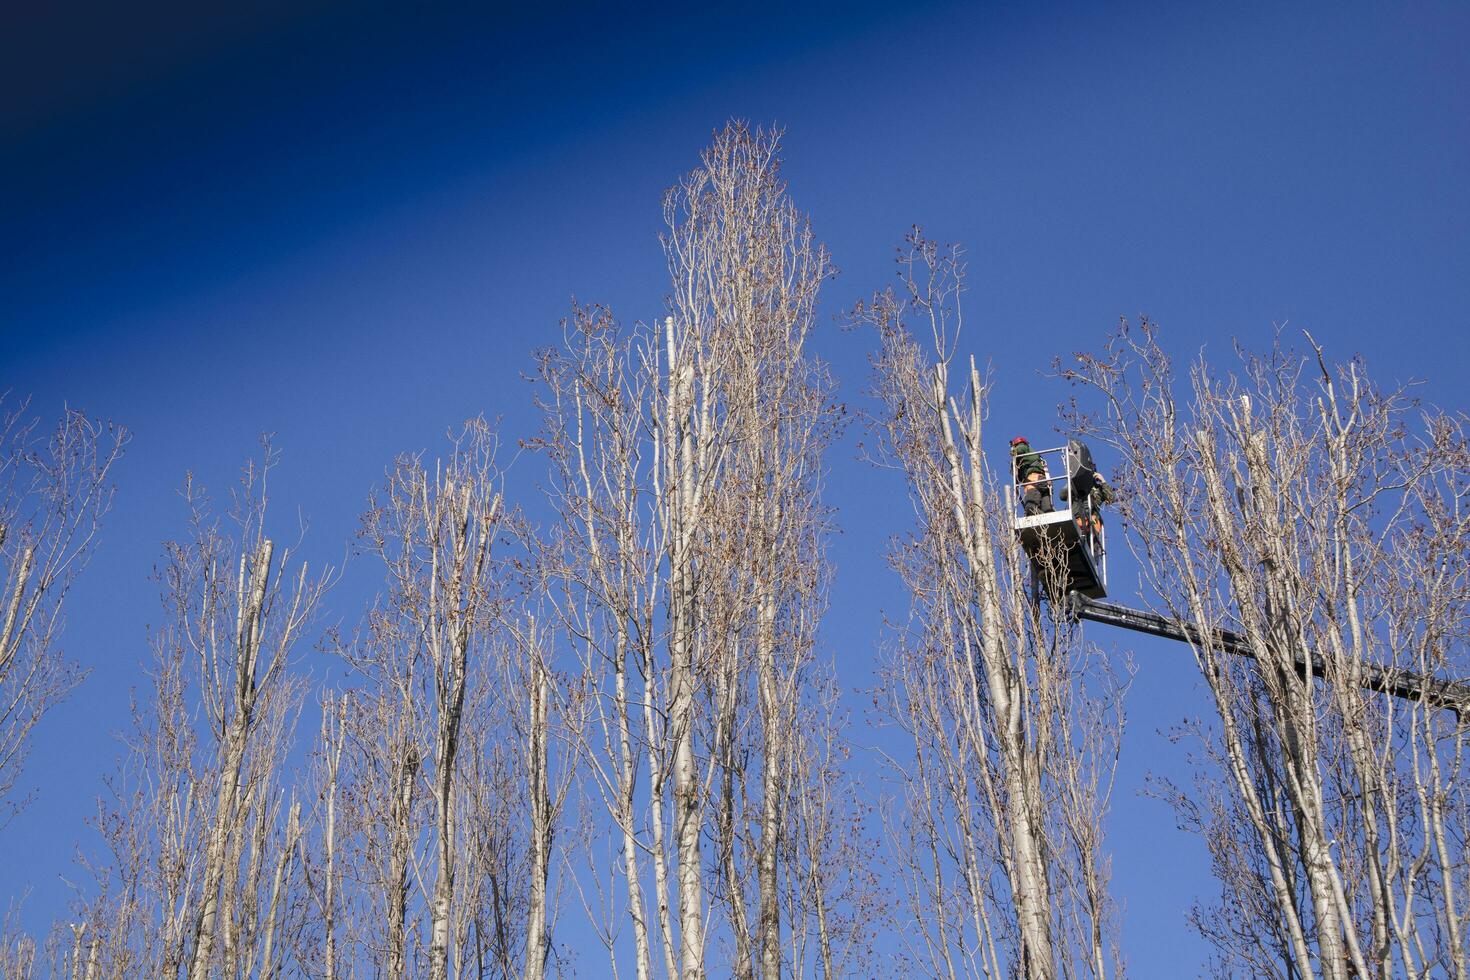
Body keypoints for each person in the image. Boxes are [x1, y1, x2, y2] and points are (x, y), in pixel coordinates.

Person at [1010, 436, 1052, 515]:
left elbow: (1018, 451)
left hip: (1034, 481)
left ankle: (1042, 521)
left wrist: (1013, 451)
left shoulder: (1022, 447)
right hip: (1044, 482)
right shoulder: (1032, 455)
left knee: (1030, 508)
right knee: (1048, 510)